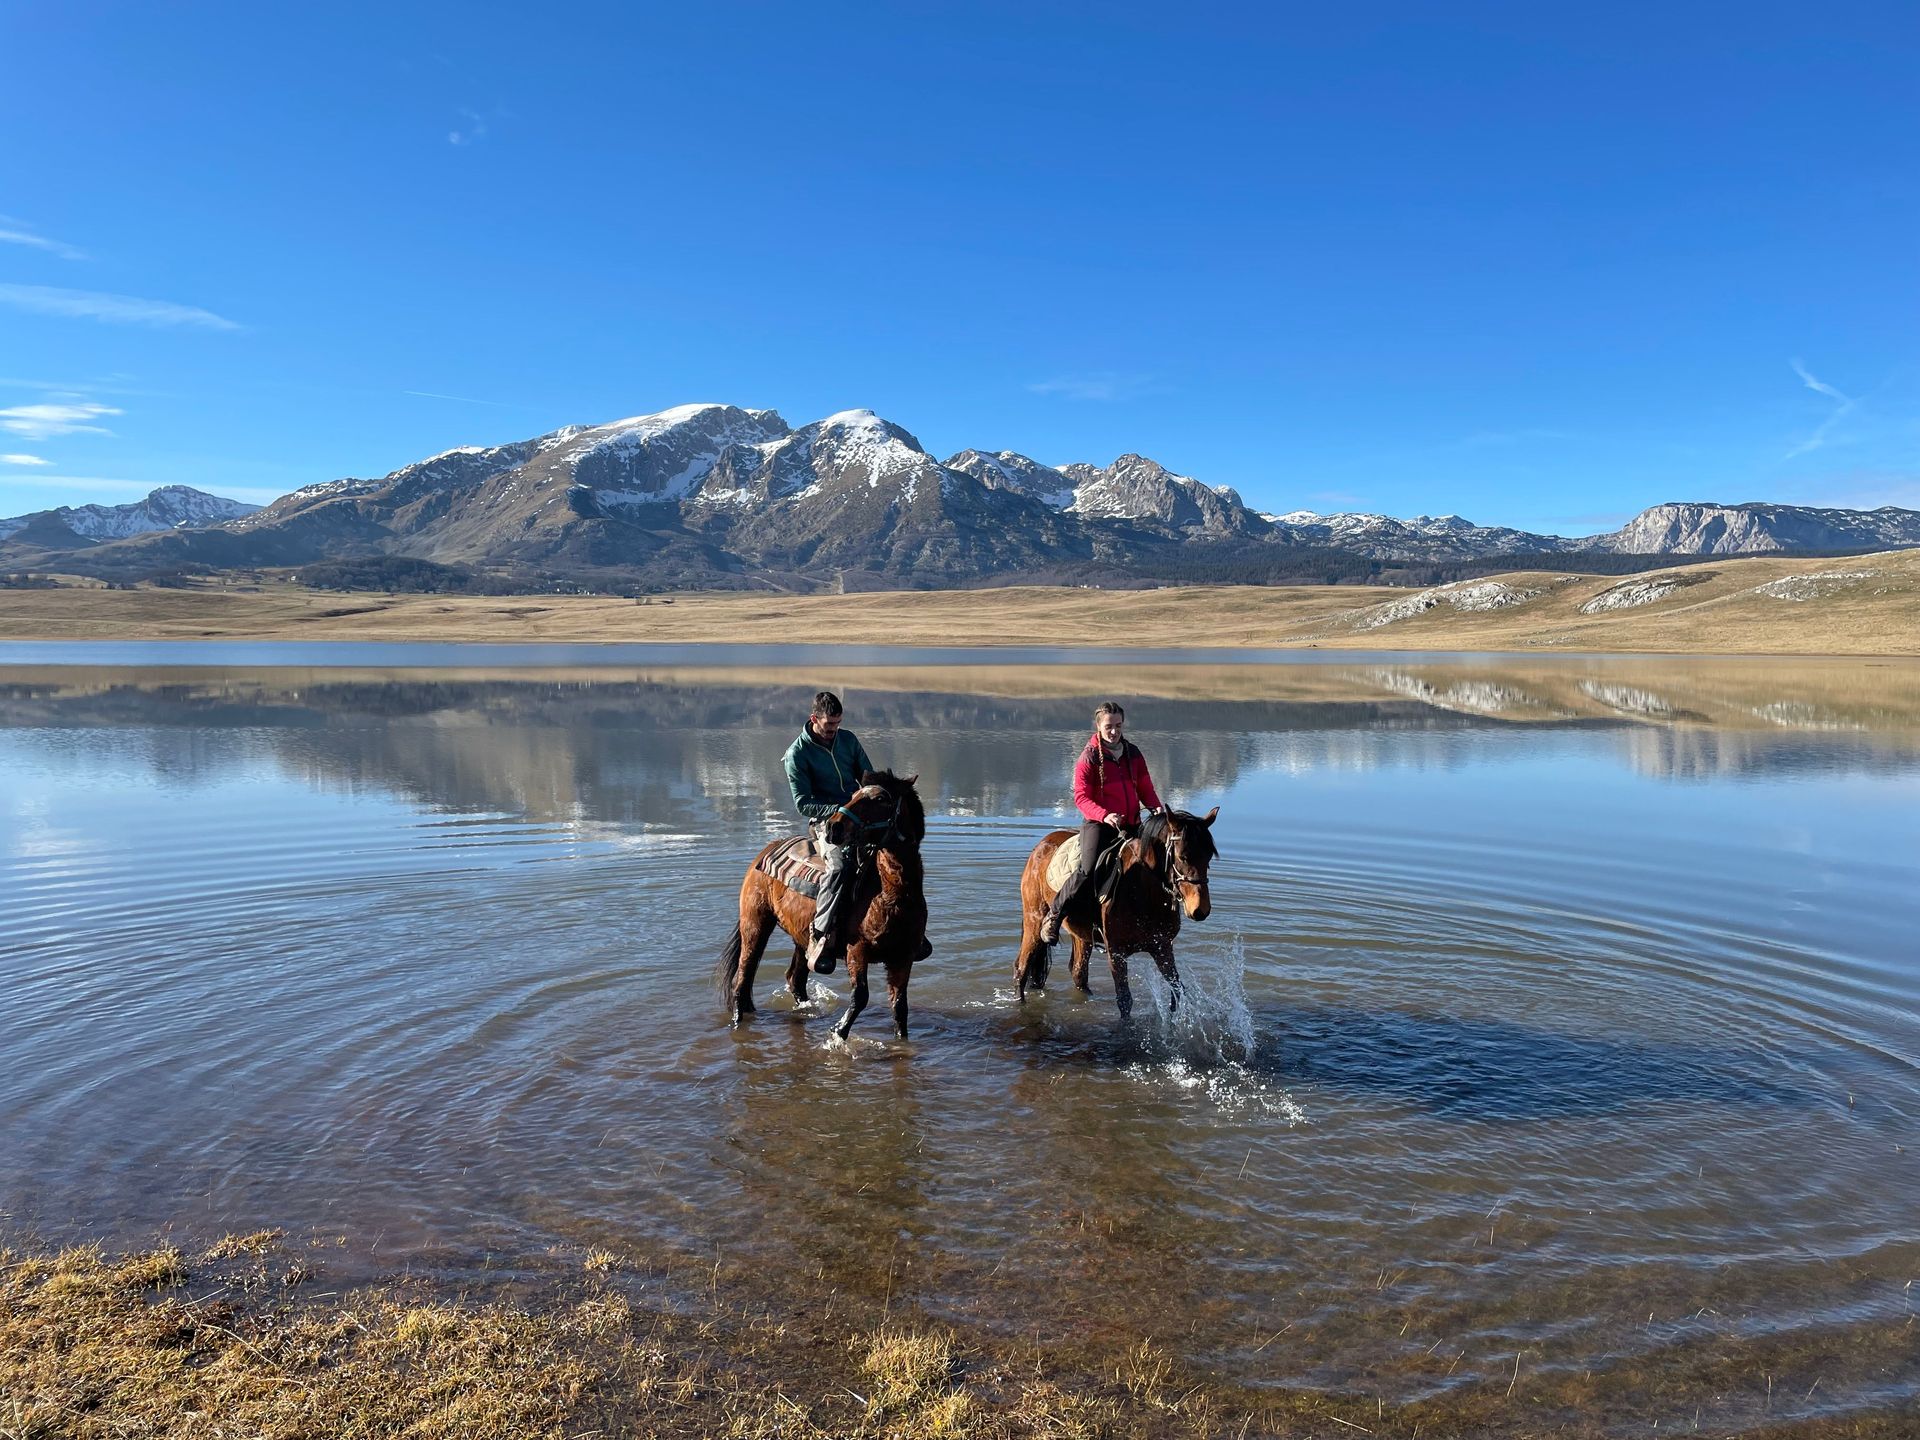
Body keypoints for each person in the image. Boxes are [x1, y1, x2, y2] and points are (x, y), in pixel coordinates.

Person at [1039, 701, 1163, 945]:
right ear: (1098, 726)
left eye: (1118, 725)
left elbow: (1146, 788)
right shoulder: (1089, 757)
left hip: (1131, 824)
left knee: (1156, 862)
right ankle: (1054, 915)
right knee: (1087, 868)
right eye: (1109, 726)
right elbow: (1081, 797)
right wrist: (1105, 815)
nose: (1114, 731)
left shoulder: (1134, 754)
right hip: (1099, 824)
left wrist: (1155, 806)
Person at [783, 690, 874, 973]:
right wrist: (840, 809)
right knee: (837, 867)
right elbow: (803, 803)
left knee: (894, 854)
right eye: (829, 725)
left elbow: (867, 776)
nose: (834, 730)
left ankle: (910, 930)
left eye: (838, 723)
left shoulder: (847, 740)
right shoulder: (797, 754)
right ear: (814, 719)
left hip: (857, 815)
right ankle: (820, 934)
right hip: (826, 821)